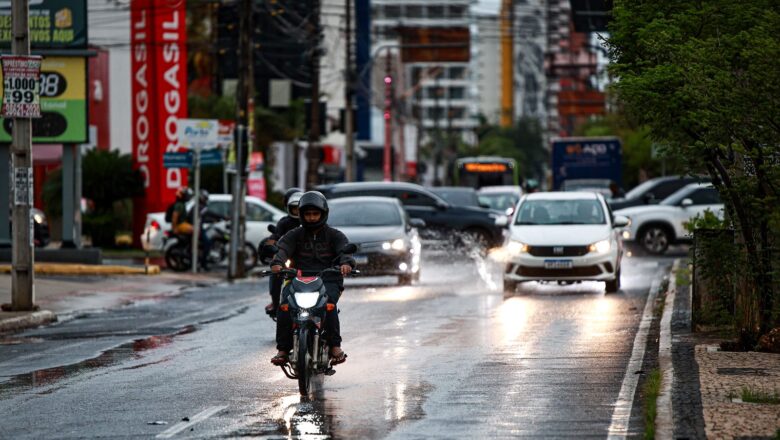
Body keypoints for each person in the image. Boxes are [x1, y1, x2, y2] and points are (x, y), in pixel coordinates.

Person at [269, 191, 355, 366]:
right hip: (298, 278)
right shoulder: (294, 234)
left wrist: (346, 264)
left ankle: (334, 346)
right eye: (307, 214)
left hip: (328, 279)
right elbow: (282, 250)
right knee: (284, 306)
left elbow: (345, 251)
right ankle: (283, 350)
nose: (312, 218)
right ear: (301, 215)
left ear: (323, 214)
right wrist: (276, 263)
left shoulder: (335, 235)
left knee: (329, 304)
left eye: (315, 214)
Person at [262, 188, 303, 317]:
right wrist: (270, 245)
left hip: (307, 259)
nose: (297, 211)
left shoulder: (313, 222)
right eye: (294, 208)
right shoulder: (284, 222)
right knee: (275, 275)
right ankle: (275, 302)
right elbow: (275, 237)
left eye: (300, 207)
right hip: (287, 258)